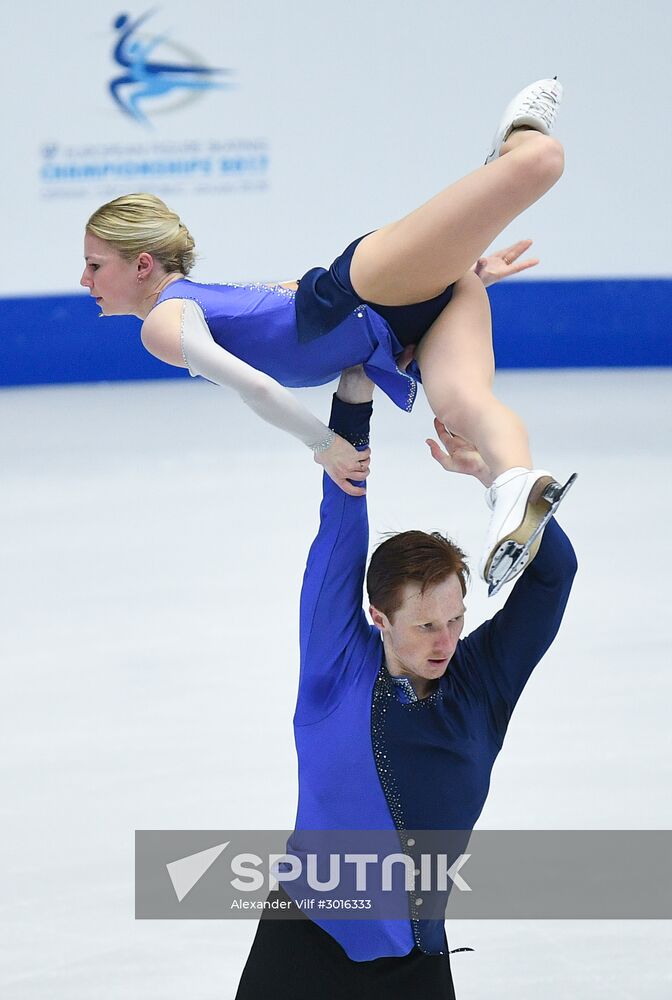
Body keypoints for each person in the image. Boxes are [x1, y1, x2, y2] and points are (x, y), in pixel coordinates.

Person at [81, 78, 573, 591]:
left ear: (141, 265)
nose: (85, 281)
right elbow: (285, 302)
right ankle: (514, 487)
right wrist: (459, 270)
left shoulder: (163, 322)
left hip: (367, 290)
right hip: (404, 318)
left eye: (94, 265)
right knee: (462, 409)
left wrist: (325, 444)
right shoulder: (210, 299)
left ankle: (518, 131)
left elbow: (257, 386)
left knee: (541, 160)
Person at [234, 365, 578, 999]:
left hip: (415, 962)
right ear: (378, 617)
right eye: (424, 626)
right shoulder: (334, 669)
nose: (445, 642)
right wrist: (354, 398)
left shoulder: (481, 686)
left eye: (454, 619)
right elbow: (340, 526)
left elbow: (553, 577)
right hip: (304, 939)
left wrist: (494, 478)